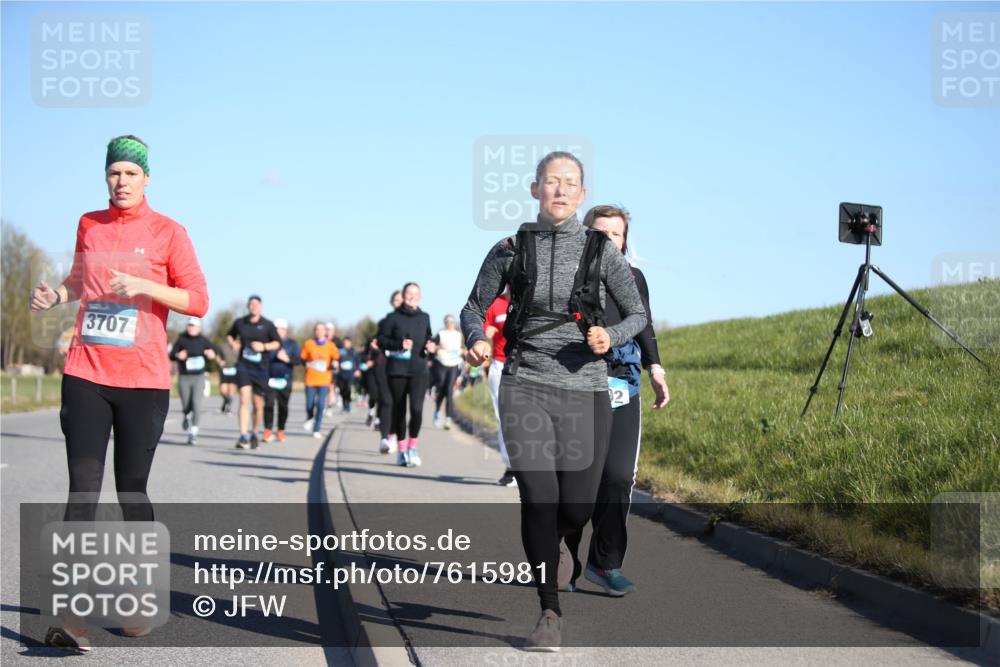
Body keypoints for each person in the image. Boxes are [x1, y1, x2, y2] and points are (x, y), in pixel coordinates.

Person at [460, 152, 646, 651]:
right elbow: (474, 305)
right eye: (552, 182)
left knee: (578, 506)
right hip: (526, 381)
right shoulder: (509, 247)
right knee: (538, 497)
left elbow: (637, 314)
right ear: (535, 188)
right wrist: (477, 336)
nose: (561, 190)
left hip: (585, 388)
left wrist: (612, 334)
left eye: (571, 184)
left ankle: (566, 544)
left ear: (581, 195)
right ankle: (548, 610)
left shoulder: (601, 251)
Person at [30, 134, 208, 651]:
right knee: (82, 490)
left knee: (132, 490)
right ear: (105, 177)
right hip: (86, 370)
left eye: (131, 173)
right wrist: (57, 294)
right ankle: (70, 616)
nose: (121, 181)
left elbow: (197, 299)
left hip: (144, 380)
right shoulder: (90, 224)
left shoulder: (168, 232)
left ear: (147, 178)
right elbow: (82, 279)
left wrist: (147, 287)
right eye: (114, 173)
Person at [563, 205, 671, 596]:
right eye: (601, 232)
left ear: (625, 241)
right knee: (577, 479)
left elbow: (644, 323)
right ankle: (565, 561)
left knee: (619, 477)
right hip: (575, 383)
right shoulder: (567, 277)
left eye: (617, 234)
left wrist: (656, 369)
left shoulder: (633, 277)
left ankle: (605, 563)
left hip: (623, 384)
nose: (609, 239)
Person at [377, 282, 437, 467]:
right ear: (403, 296)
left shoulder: (424, 317)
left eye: (416, 293)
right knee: (400, 411)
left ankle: (413, 447)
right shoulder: (392, 318)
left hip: (419, 370)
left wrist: (431, 346)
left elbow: (428, 337)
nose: (413, 296)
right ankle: (401, 451)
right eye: (409, 293)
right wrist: (399, 345)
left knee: (417, 410)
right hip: (397, 371)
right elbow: (381, 340)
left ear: (420, 296)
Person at [227, 295, 281, 449]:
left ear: (261, 306)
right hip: (244, 365)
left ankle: (254, 433)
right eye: (251, 304)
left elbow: (277, 343)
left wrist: (264, 347)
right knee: (244, 399)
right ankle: (243, 435)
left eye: (256, 304)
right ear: (248, 306)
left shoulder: (268, 325)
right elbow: (230, 334)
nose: (253, 306)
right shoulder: (240, 323)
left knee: (258, 404)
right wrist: (233, 343)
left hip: (261, 368)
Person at [483, 290, 516, 486]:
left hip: (525, 366)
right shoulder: (496, 304)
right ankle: (511, 467)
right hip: (499, 364)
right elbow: (483, 326)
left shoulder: (529, 297)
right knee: (503, 418)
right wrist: (486, 332)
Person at [169, 317, 218, 445]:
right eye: (190, 325)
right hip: (184, 376)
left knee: (196, 403)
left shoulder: (203, 340)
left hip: (199, 377)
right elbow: (171, 354)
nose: (191, 328)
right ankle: (186, 415)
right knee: (186, 404)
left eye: (194, 326)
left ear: (199, 328)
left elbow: (215, 351)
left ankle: (193, 432)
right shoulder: (181, 339)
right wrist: (178, 355)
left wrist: (211, 353)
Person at [372, 290, 403, 453]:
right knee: (386, 401)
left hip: (402, 368)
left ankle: (394, 435)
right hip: (384, 365)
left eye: (401, 300)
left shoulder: (410, 322)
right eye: (396, 300)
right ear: (392, 302)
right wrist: (375, 344)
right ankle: (384, 438)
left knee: (398, 404)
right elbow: (377, 339)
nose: (398, 303)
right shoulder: (386, 321)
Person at [300, 322, 340, 439]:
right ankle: (309, 417)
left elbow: (336, 358)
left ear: (325, 332)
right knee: (309, 404)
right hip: (310, 379)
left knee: (321, 404)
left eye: (322, 329)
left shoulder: (331, 345)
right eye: (317, 329)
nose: (319, 332)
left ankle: (317, 428)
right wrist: (306, 363)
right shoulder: (308, 344)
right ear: (314, 331)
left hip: (324, 380)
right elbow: (302, 359)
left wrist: (335, 363)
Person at [263, 318, 300, 442]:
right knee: (268, 404)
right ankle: (268, 430)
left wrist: (287, 359)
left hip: (285, 380)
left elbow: (298, 360)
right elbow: (263, 359)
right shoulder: (269, 343)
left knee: (283, 407)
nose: (279, 331)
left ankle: (280, 430)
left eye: (281, 329)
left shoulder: (292, 344)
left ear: (286, 330)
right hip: (270, 379)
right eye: (276, 329)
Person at [432, 315, 465, 430]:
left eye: (452, 321)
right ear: (445, 322)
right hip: (441, 363)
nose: (450, 323)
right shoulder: (441, 334)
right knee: (441, 388)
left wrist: (462, 351)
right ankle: (436, 412)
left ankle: (448, 419)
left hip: (454, 363)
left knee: (449, 390)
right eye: (448, 321)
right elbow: (432, 347)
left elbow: (464, 349)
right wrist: (438, 347)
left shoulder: (459, 335)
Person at [335, 337, 362, 413]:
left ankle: (348, 406)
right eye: (344, 343)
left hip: (350, 375)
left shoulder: (354, 352)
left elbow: (358, 362)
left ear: (350, 343)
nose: (345, 344)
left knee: (348, 390)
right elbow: (336, 361)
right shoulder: (340, 352)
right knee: (342, 391)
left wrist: (358, 370)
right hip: (341, 374)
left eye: (347, 342)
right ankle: (344, 406)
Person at [217, 338, 239, 413]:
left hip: (235, 369)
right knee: (223, 389)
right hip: (224, 369)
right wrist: (219, 361)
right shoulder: (222, 346)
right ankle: (226, 400)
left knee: (231, 389)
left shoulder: (239, 345)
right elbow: (216, 355)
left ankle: (229, 405)